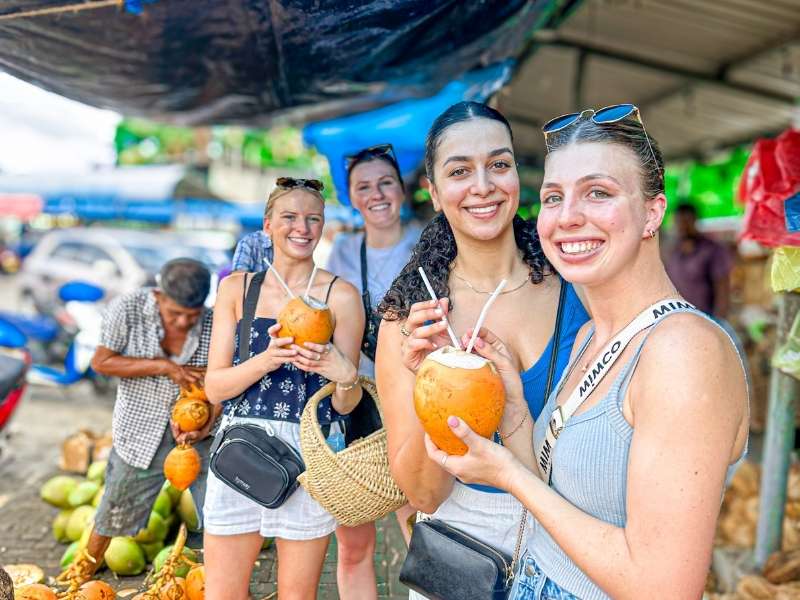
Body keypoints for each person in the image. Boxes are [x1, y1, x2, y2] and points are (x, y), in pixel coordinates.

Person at [426, 105, 749, 599]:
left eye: (598, 193)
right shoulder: (586, 337)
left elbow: (663, 588)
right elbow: (557, 493)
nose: (568, 217)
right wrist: (513, 406)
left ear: (653, 211)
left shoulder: (684, 351)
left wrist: (508, 477)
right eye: (553, 197)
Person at [375, 101, 589, 598]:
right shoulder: (407, 321)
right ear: (433, 192)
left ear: (518, 173)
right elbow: (424, 493)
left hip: (573, 541)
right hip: (460, 553)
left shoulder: (580, 289)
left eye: (499, 164)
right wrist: (432, 385)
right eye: (459, 171)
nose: (483, 186)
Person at [203, 177, 365, 600]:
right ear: (268, 224)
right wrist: (268, 358)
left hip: (310, 454)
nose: (303, 228)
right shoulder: (237, 288)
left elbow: (346, 407)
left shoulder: (341, 296)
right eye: (290, 217)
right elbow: (215, 389)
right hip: (240, 446)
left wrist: (343, 373)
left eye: (314, 218)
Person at [61, 258, 217, 581]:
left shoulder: (215, 323)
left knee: (218, 514)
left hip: (200, 434)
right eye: (175, 313)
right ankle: (81, 575)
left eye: (193, 315)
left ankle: (218, 582)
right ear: (158, 295)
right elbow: (102, 362)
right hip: (140, 430)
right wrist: (164, 367)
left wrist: (207, 424)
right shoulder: (127, 309)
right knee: (114, 508)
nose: (185, 322)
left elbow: (222, 383)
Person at [325, 144, 421, 599]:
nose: (377, 194)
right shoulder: (343, 251)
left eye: (386, 182)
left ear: (401, 188)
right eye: (364, 186)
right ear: (352, 197)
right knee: (353, 542)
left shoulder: (432, 238)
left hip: (419, 403)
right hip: (358, 401)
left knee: (421, 532)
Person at [665, 202, 733, 318]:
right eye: (679, 222)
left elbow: (722, 289)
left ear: (695, 220)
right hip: (677, 318)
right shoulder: (672, 251)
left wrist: (719, 321)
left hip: (705, 318)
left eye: (687, 221)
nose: (683, 226)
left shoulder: (712, 250)